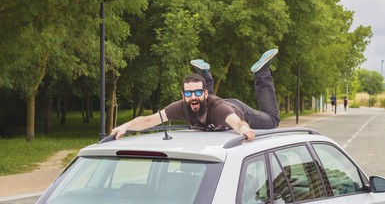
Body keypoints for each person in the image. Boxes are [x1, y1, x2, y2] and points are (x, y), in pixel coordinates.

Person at [111, 49, 280, 141]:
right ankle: (203, 73)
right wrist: (125, 126)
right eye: (189, 93)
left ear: (204, 92)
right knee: (202, 104)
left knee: (273, 120)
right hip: (213, 105)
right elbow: (149, 120)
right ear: (183, 95)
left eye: (198, 92)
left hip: (236, 109)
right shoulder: (181, 106)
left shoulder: (220, 109)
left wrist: (245, 130)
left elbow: (237, 122)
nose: (193, 97)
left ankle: (262, 73)